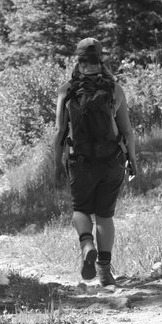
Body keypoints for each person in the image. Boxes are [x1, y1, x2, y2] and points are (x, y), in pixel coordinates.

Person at [53, 37, 139, 286]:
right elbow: (128, 131)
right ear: (101, 58)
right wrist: (132, 160)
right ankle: (104, 270)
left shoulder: (66, 90)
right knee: (104, 216)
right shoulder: (114, 88)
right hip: (111, 161)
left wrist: (56, 165)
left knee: (80, 209)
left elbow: (60, 132)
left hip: (79, 161)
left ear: (78, 60)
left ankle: (86, 243)